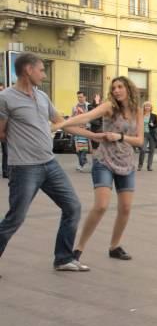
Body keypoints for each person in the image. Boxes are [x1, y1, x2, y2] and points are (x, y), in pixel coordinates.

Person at [0, 52, 92, 274]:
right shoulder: (6, 98)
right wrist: (21, 139)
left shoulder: (42, 97)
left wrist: (94, 137)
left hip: (50, 164)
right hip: (24, 168)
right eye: (41, 70)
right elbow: (1, 133)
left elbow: (61, 123)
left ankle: (63, 258)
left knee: (73, 206)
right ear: (28, 70)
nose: (44, 74)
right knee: (16, 218)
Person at [55, 76, 144, 262]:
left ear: (128, 88)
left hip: (126, 162)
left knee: (126, 208)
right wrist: (61, 124)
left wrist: (120, 136)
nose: (116, 91)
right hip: (104, 160)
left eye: (120, 87)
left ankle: (115, 246)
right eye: (114, 88)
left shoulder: (137, 110)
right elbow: (86, 116)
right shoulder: (109, 107)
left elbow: (139, 140)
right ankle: (78, 249)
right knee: (101, 206)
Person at [72, 91, 91, 172]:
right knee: (75, 148)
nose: (79, 99)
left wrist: (83, 112)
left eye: (81, 97)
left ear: (85, 97)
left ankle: (81, 164)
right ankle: (83, 161)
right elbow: (72, 117)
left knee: (84, 148)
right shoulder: (74, 107)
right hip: (77, 128)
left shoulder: (89, 106)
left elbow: (91, 116)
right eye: (78, 97)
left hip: (86, 128)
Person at [138, 101, 157, 171]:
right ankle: (140, 165)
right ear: (144, 107)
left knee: (152, 150)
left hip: (152, 134)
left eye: (149, 106)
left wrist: (153, 125)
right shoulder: (141, 115)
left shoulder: (154, 116)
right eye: (146, 106)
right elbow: (137, 124)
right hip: (143, 134)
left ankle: (149, 166)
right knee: (143, 150)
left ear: (151, 108)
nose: (147, 107)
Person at [0, 84, 8, 179]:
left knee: (6, 151)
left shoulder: (4, 102)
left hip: (3, 130)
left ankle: (6, 171)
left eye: (2, 90)